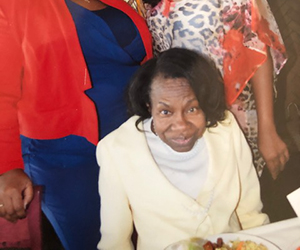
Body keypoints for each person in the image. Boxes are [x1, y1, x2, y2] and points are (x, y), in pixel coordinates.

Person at [0, 0, 152, 250]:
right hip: (65, 155)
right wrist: (7, 167)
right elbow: (2, 93)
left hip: (130, 139)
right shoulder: (12, 2)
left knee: (145, 233)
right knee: (94, 242)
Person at [142, 0, 289, 179]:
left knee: (248, 208)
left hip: (233, 116)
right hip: (185, 123)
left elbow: (257, 49)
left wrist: (267, 128)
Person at [97, 48, 269, 250]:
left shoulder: (226, 129)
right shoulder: (117, 150)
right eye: (165, 112)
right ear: (148, 105)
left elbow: (251, 217)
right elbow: (114, 242)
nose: (180, 125)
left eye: (192, 109)